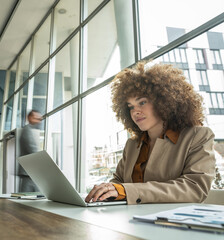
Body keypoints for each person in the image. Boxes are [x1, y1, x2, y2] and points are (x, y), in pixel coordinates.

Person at [85, 61, 216, 205]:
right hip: (130, 221)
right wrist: (105, 191)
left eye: (142, 102)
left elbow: (195, 189)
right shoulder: (132, 145)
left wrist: (127, 191)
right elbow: (119, 182)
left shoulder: (197, 136)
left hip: (175, 222)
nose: (135, 111)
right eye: (130, 107)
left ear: (164, 101)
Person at [18, 110, 42, 192]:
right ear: (29, 118)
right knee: (27, 196)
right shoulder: (27, 130)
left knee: (29, 195)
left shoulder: (30, 130)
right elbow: (32, 149)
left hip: (29, 171)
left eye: (39, 119)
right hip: (28, 171)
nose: (38, 121)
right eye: (36, 118)